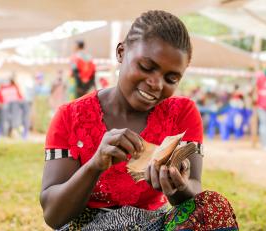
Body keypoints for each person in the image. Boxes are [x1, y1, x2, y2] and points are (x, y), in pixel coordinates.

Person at [41, 10, 238, 231]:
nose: (156, 83)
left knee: (214, 206)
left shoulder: (182, 112)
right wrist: (95, 165)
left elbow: (194, 190)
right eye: (146, 67)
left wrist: (178, 188)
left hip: (152, 223)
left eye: (171, 78)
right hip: (87, 226)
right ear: (121, 52)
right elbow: (53, 216)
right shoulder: (71, 116)